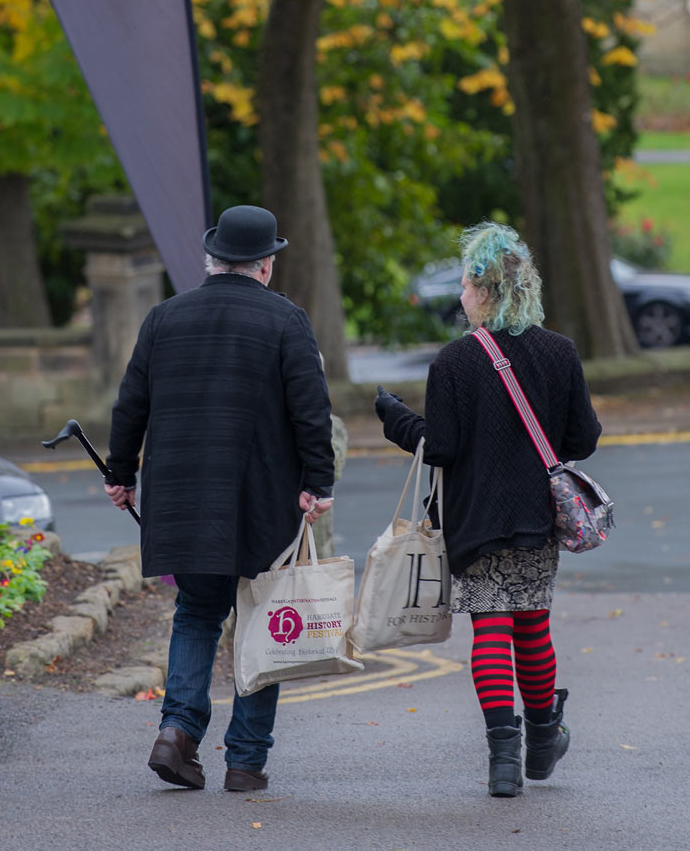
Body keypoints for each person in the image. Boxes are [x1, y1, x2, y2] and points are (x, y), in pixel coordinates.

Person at [104, 204, 335, 794]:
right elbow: (311, 412)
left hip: (181, 494)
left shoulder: (164, 317)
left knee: (197, 613)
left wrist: (120, 472)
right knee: (261, 620)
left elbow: (131, 404)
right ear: (266, 266)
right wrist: (318, 482)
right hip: (260, 495)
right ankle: (245, 760)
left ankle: (176, 734)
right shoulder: (286, 320)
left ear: (212, 260)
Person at [374, 221, 601, 798]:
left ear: (484, 288)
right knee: (532, 627)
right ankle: (544, 739)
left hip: (475, 519)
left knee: (491, 630)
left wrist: (395, 418)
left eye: (466, 286)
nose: (460, 297)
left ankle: (505, 759)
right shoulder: (560, 352)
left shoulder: (453, 362)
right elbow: (585, 437)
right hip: (537, 517)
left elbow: (441, 448)